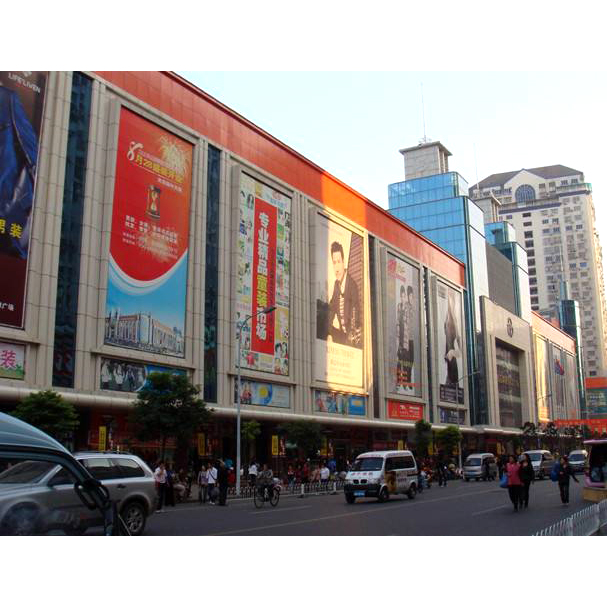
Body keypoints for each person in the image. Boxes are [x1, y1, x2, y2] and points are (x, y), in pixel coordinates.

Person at [327, 240, 362, 347]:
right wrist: (328, 333)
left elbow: (356, 315)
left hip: (352, 338)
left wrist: (351, 338)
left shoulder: (352, 285)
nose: (336, 268)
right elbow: (331, 310)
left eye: (339, 261)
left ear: (343, 262)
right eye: (334, 263)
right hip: (342, 336)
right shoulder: (336, 285)